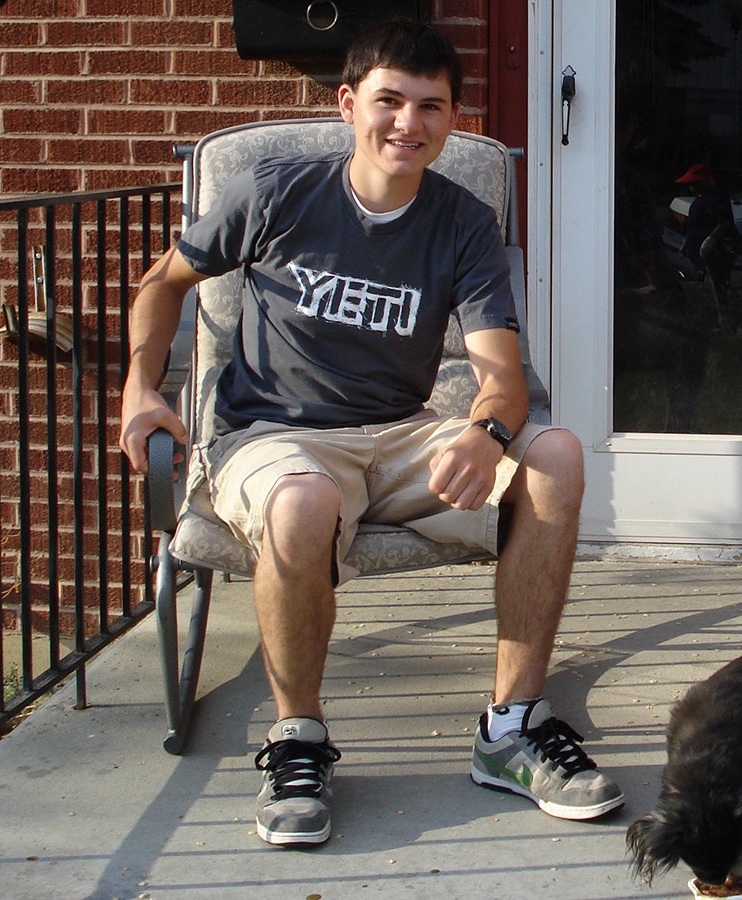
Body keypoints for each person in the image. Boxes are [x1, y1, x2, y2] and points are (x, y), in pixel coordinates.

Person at [116, 19, 623, 847]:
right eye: (388, 100)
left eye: (431, 107)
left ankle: (513, 730)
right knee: (305, 499)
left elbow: (500, 374)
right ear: (349, 104)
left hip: (399, 435)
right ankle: (298, 741)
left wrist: (488, 433)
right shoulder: (276, 193)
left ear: (451, 119)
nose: (408, 124)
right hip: (274, 437)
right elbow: (160, 284)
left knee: (558, 456)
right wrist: (142, 388)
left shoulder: (462, 223)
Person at [674, 162, 740, 330]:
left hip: (716, 253)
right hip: (698, 254)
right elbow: (694, 225)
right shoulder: (699, 200)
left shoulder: (717, 199)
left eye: (693, 182)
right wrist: (686, 243)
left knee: (719, 288)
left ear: (703, 182)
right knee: (702, 288)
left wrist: (709, 241)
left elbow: (723, 223)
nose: (690, 186)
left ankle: (725, 325)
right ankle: (709, 321)